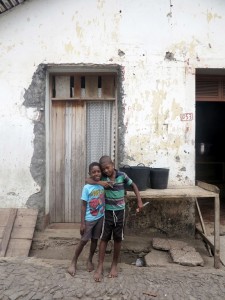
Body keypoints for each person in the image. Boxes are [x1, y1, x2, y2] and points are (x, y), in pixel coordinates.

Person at [86, 155, 143, 282]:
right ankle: (100, 266)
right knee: (104, 238)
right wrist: (100, 182)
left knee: (118, 239)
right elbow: (87, 180)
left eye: (107, 167)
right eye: (103, 169)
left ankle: (114, 265)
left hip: (120, 213)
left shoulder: (122, 175)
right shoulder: (103, 177)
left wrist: (139, 201)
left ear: (113, 164)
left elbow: (133, 185)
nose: (106, 171)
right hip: (107, 213)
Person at [67, 162, 105, 276]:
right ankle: (73, 261)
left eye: (98, 171)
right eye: (93, 172)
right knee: (83, 241)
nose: (96, 173)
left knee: (95, 240)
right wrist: (82, 223)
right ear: (90, 174)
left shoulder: (102, 185)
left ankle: (90, 260)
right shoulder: (87, 187)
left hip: (100, 218)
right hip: (89, 219)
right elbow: (83, 205)